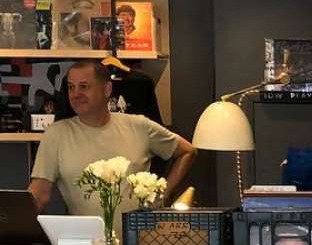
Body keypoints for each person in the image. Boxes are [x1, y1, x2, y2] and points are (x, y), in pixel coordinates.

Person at [28, 59, 194, 218]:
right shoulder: (56, 135)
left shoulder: (139, 126)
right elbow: (39, 195)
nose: (76, 94)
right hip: (85, 243)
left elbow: (187, 151)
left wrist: (162, 196)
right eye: (71, 87)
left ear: (107, 89)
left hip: (138, 241)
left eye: (84, 87)